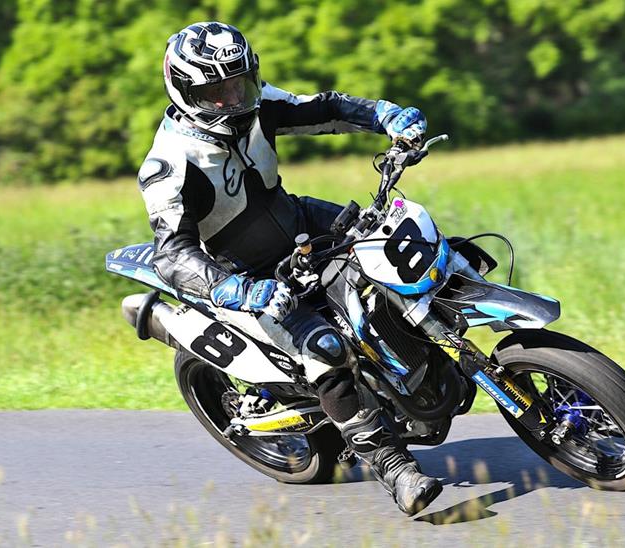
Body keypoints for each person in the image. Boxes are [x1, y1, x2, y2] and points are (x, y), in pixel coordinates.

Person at [137, 21, 440, 514]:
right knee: (326, 349)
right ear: (186, 90)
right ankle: (394, 466)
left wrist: (387, 116)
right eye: (218, 91)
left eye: (241, 83)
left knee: (405, 242)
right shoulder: (169, 165)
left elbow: (324, 108)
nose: (233, 99)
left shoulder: (255, 105)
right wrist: (236, 290)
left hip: (299, 221)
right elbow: (171, 255)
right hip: (247, 273)